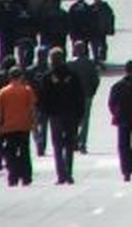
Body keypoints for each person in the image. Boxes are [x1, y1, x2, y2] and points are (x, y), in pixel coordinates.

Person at [37, 47, 85, 185]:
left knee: (57, 145)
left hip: (55, 115)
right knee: (69, 145)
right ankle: (68, 172)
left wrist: (43, 113)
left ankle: (61, 174)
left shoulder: (47, 77)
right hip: (71, 114)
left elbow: (42, 98)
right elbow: (79, 96)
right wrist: (80, 114)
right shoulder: (73, 75)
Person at [0, 66, 36, 188]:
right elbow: (32, 109)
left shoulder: (3, 92)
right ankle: (26, 177)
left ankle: (13, 176)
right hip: (24, 126)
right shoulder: (27, 90)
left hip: (8, 127)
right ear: (21, 76)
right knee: (24, 151)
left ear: (9, 77)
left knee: (10, 153)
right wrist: (34, 124)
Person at [68, 40, 100, 154]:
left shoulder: (70, 64)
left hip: (73, 97)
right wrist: (92, 92)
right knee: (85, 120)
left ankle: (73, 141)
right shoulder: (90, 64)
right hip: (87, 95)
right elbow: (96, 80)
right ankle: (82, 143)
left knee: (73, 120)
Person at [90, 0, 115, 64]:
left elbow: (111, 17)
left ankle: (102, 58)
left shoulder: (106, 7)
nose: (97, 0)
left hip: (102, 29)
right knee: (94, 45)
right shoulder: (91, 7)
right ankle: (96, 58)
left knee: (103, 45)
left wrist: (111, 28)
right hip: (93, 30)